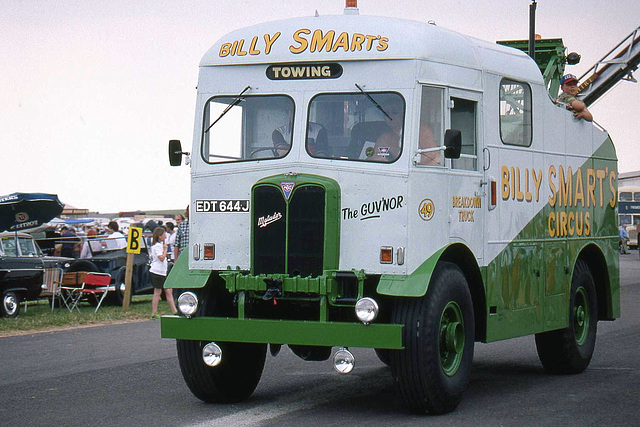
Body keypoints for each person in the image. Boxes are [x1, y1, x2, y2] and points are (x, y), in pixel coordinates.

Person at [149, 227, 177, 319]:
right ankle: (154, 312)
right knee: (158, 292)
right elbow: (161, 258)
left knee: (168, 291)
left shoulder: (160, 245)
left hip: (162, 272)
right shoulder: (157, 246)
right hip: (157, 272)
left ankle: (174, 311)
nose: (165, 236)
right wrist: (165, 250)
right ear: (159, 236)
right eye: (164, 235)